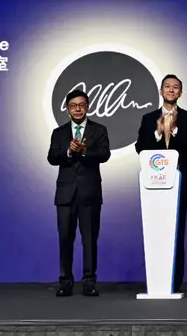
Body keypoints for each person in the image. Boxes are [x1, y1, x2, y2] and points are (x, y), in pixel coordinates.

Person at [135, 74, 187, 293]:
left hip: (179, 182)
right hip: (153, 184)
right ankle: (156, 281)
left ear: (180, 92)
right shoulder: (149, 118)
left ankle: (174, 283)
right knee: (155, 232)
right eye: (167, 87)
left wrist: (174, 131)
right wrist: (158, 132)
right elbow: (140, 147)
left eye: (176, 87)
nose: (171, 90)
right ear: (161, 91)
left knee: (176, 233)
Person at [46, 89, 112, 297]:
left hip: (90, 192)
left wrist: (83, 151)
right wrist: (68, 151)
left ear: (88, 107)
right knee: (65, 239)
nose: (77, 109)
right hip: (65, 194)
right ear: (67, 109)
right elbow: (52, 157)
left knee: (89, 240)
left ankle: (89, 282)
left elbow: (104, 154)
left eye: (81, 105)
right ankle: (65, 282)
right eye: (73, 105)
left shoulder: (98, 130)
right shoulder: (59, 132)